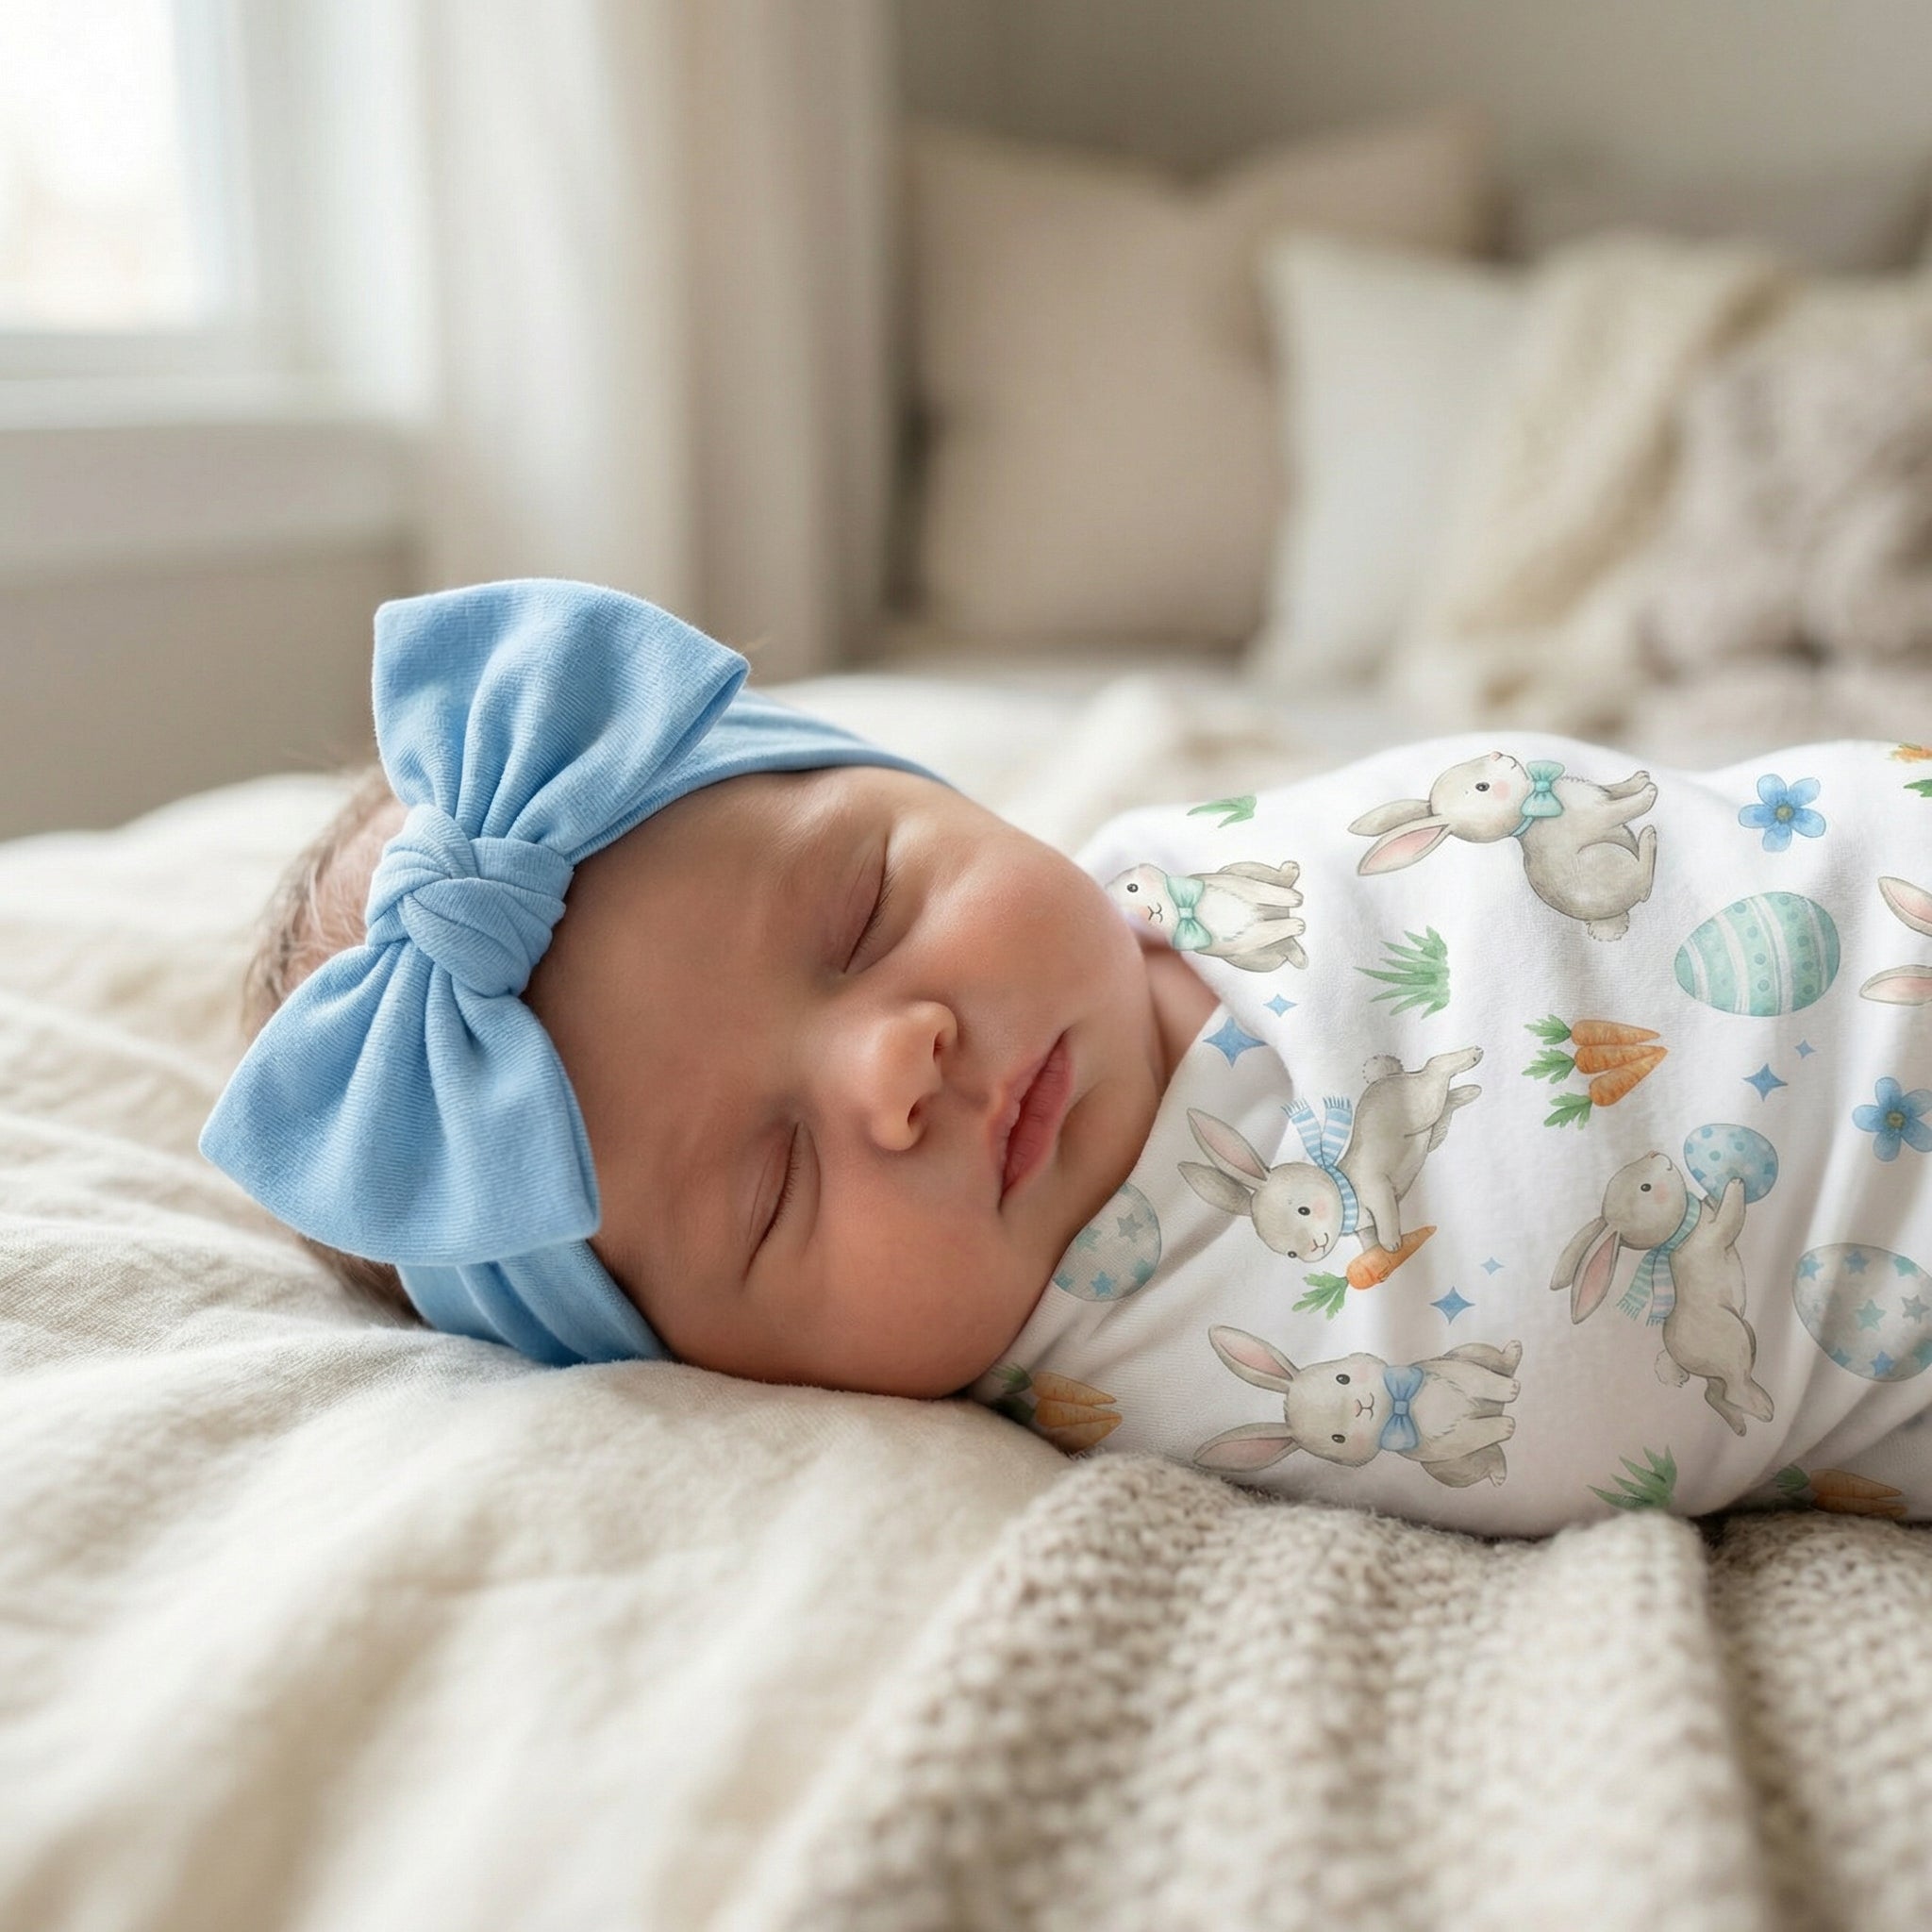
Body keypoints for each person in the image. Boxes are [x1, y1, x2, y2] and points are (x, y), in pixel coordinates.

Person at [205, 579, 1932, 1536]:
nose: (897, 1065)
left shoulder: (1157, 873)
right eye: (773, 1182)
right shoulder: (1139, 1377)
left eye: (864, 908)